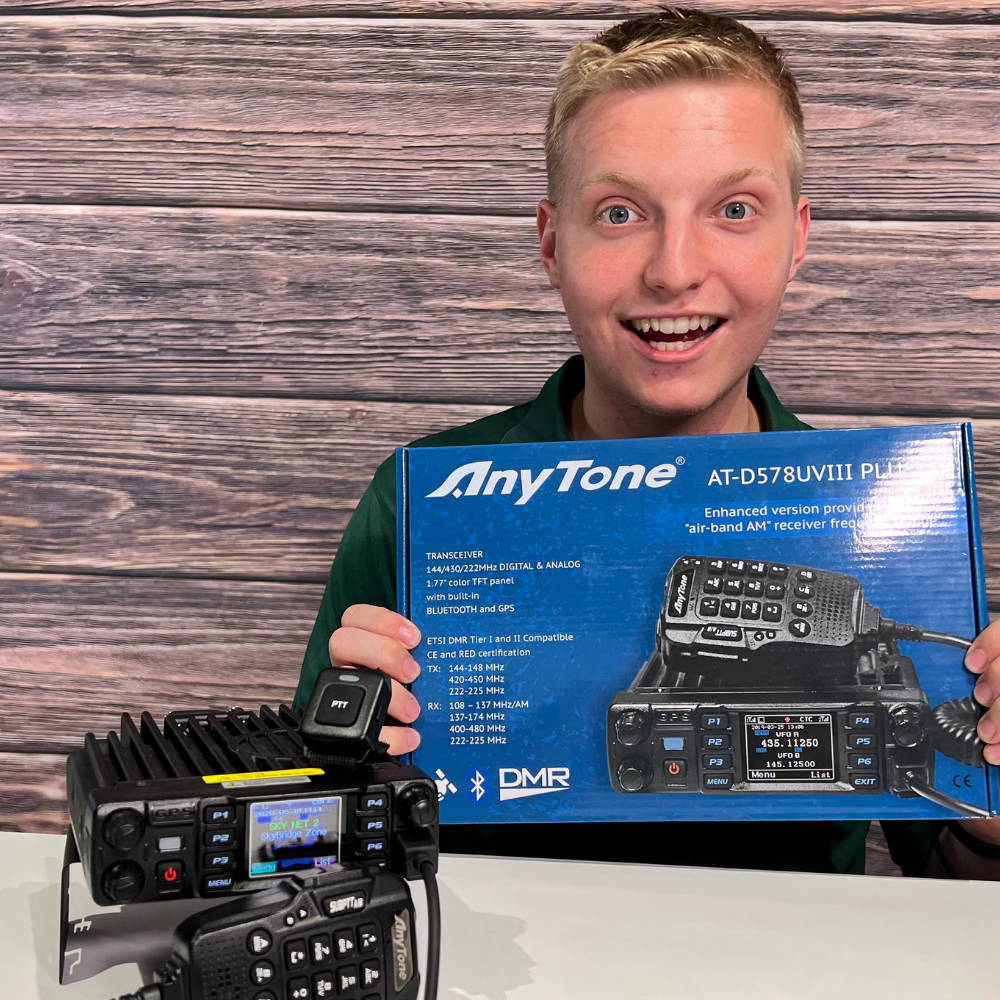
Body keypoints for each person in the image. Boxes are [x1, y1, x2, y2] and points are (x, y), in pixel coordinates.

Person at [294, 6, 1000, 877]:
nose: (673, 269)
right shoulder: (415, 506)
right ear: (553, 245)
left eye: (734, 209)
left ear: (797, 240)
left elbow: (957, 880)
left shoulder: (888, 529)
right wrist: (349, 779)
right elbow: (311, 859)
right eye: (621, 213)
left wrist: (992, 820)